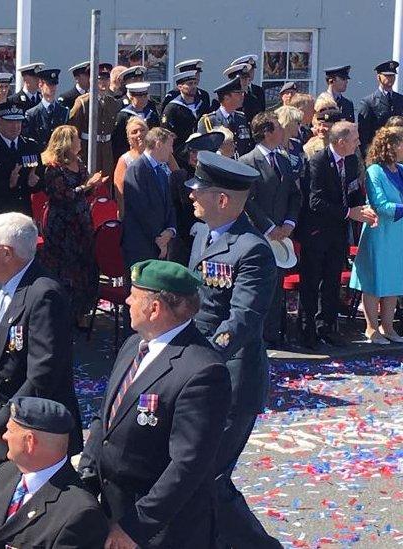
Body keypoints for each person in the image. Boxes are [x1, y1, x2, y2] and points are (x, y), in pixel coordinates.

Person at [79, 259, 231, 549]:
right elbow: (105, 419)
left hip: (160, 529)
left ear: (155, 308)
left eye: (134, 296)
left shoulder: (201, 370)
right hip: (115, 508)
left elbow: (187, 465)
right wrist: (86, 478)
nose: (126, 300)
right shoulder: (133, 346)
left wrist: (136, 527)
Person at [185, 152, 281, 549]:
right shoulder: (202, 235)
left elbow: (241, 321)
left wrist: (199, 356)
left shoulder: (251, 249)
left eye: (199, 191)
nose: (192, 197)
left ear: (222, 200)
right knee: (199, 475)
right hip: (203, 371)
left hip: (231, 376)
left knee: (210, 476)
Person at [0, 213, 82, 470]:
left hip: (33, 429)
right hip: (5, 418)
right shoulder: (1, 284)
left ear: (7, 253)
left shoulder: (44, 294)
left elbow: (42, 375)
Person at [0, 397, 109, 549]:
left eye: (10, 430)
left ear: (29, 441)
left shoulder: (80, 514)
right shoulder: (4, 474)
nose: (4, 436)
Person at [299, 121, 377, 349]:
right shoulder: (318, 161)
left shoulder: (351, 161)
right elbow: (316, 201)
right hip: (317, 231)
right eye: (354, 139)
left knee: (332, 282)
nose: (359, 143)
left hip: (338, 232)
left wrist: (361, 209)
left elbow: (351, 191)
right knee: (312, 282)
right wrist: (348, 212)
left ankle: (328, 328)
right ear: (341, 142)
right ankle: (307, 332)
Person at [240, 111, 301, 346]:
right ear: (266, 132)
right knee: (258, 286)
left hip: (282, 234)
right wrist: (268, 227)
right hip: (259, 234)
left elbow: (295, 195)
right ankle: (256, 337)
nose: (283, 131)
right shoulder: (248, 161)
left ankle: (273, 335)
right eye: (277, 127)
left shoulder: (283, 159)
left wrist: (289, 223)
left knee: (277, 285)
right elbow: (247, 200)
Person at [38, 125, 107, 328]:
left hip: (81, 220)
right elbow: (63, 195)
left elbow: (82, 192)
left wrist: (93, 186)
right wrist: (87, 186)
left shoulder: (79, 162)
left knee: (84, 265)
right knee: (64, 266)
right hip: (62, 224)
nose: (80, 142)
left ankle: (80, 310)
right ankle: (61, 311)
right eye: (76, 138)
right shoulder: (53, 168)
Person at [0, 103, 43, 299]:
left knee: (21, 264)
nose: (15, 127)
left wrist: (34, 182)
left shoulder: (30, 145)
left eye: (18, 122)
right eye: (10, 122)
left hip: (20, 214)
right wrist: (8, 183)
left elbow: (40, 178)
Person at [349, 127, 403, 344]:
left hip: (397, 234)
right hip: (379, 232)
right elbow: (379, 204)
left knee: (393, 279)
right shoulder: (374, 171)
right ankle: (371, 328)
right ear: (390, 145)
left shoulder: (400, 169)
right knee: (374, 280)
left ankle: (388, 327)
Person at [121, 127, 178, 268]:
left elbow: (169, 206)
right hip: (141, 246)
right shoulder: (136, 169)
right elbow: (141, 208)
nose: (172, 151)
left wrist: (170, 231)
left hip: (159, 245)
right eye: (169, 145)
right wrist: (159, 238)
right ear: (158, 144)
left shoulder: (162, 173)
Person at [169, 131, 225, 265]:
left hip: (215, 240)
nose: (194, 156)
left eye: (198, 152)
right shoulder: (178, 178)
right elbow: (174, 211)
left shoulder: (219, 178)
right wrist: (192, 227)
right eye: (192, 152)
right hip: (185, 243)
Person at [68, 62, 121, 176]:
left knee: (105, 184)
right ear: (92, 80)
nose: (103, 83)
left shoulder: (113, 103)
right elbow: (73, 130)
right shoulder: (83, 102)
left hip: (106, 151)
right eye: (100, 79)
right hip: (87, 150)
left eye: (106, 79)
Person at [198, 76, 254, 157]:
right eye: (239, 93)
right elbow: (202, 149)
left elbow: (247, 145)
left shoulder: (242, 118)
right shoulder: (209, 121)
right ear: (226, 98)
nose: (243, 96)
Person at [162, 70, 207, 167]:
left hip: (200, 154)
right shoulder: (172, 108)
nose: (194, 86)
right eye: (190, 84)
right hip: (180, 157)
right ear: (180, 87)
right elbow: (168, 136)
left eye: (195, 83)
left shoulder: (201, 104)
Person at [358, 60, 403, 153]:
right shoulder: (369, 102)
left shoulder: (400, 99)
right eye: (387, 75)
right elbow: (364, 134)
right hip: (379, 151)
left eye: (393, 75)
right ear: (379, 77)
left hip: (398, 151)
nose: (391, 78)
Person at [23, 68, 69, 150]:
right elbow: (28, 140)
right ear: (40, 85)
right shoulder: (32, 114)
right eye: (49, 84)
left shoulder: (64, 112)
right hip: (41, 156)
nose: (53, 88)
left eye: (54, 84)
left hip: (58, 156)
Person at [113, 82, 160, 159]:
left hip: (150, 154)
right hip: (130, 154)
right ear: (131, 97)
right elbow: (118, 140)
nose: (143, 99)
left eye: (145, 96)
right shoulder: (123, 115)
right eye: (139, 97)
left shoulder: (152, 114)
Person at [114, 117, 150, 214]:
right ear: (129, 139)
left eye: (142, 130)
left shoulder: (161, 152)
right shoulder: (124, 160)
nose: (139, 134)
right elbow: (120, 194)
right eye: (134, 132)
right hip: (135, 214)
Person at [227, 55, 267, 119]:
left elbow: (262, 113)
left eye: (252, 69)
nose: (251, 73)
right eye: (249, 70)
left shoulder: (259, 91)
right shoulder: (228, 94)